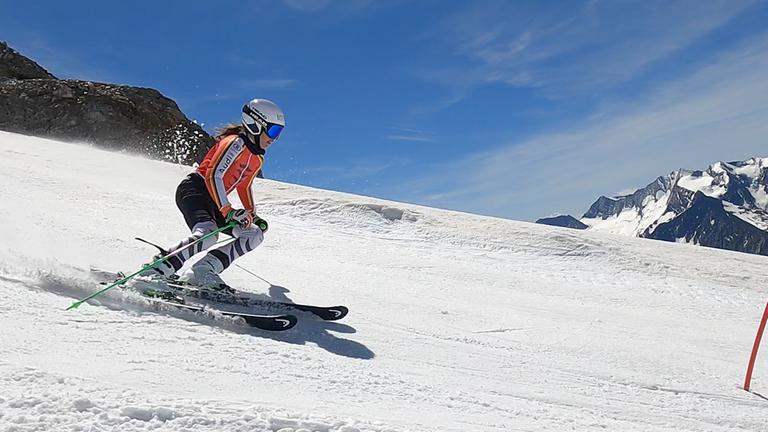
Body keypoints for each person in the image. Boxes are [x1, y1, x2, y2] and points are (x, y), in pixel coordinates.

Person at [140, 98, 285, 287]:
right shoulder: (235, 143)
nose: (274, 138)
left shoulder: (257, 158)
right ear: (256, 124)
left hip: (216, 201)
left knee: (254, 234)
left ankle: (204, 271)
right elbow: (213, 175)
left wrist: (252, 215)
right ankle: (155, 270)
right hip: (195, 189)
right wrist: (228, 211)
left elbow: (244, 186)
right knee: (208, 234)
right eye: (273, 130)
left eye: (279, 133)